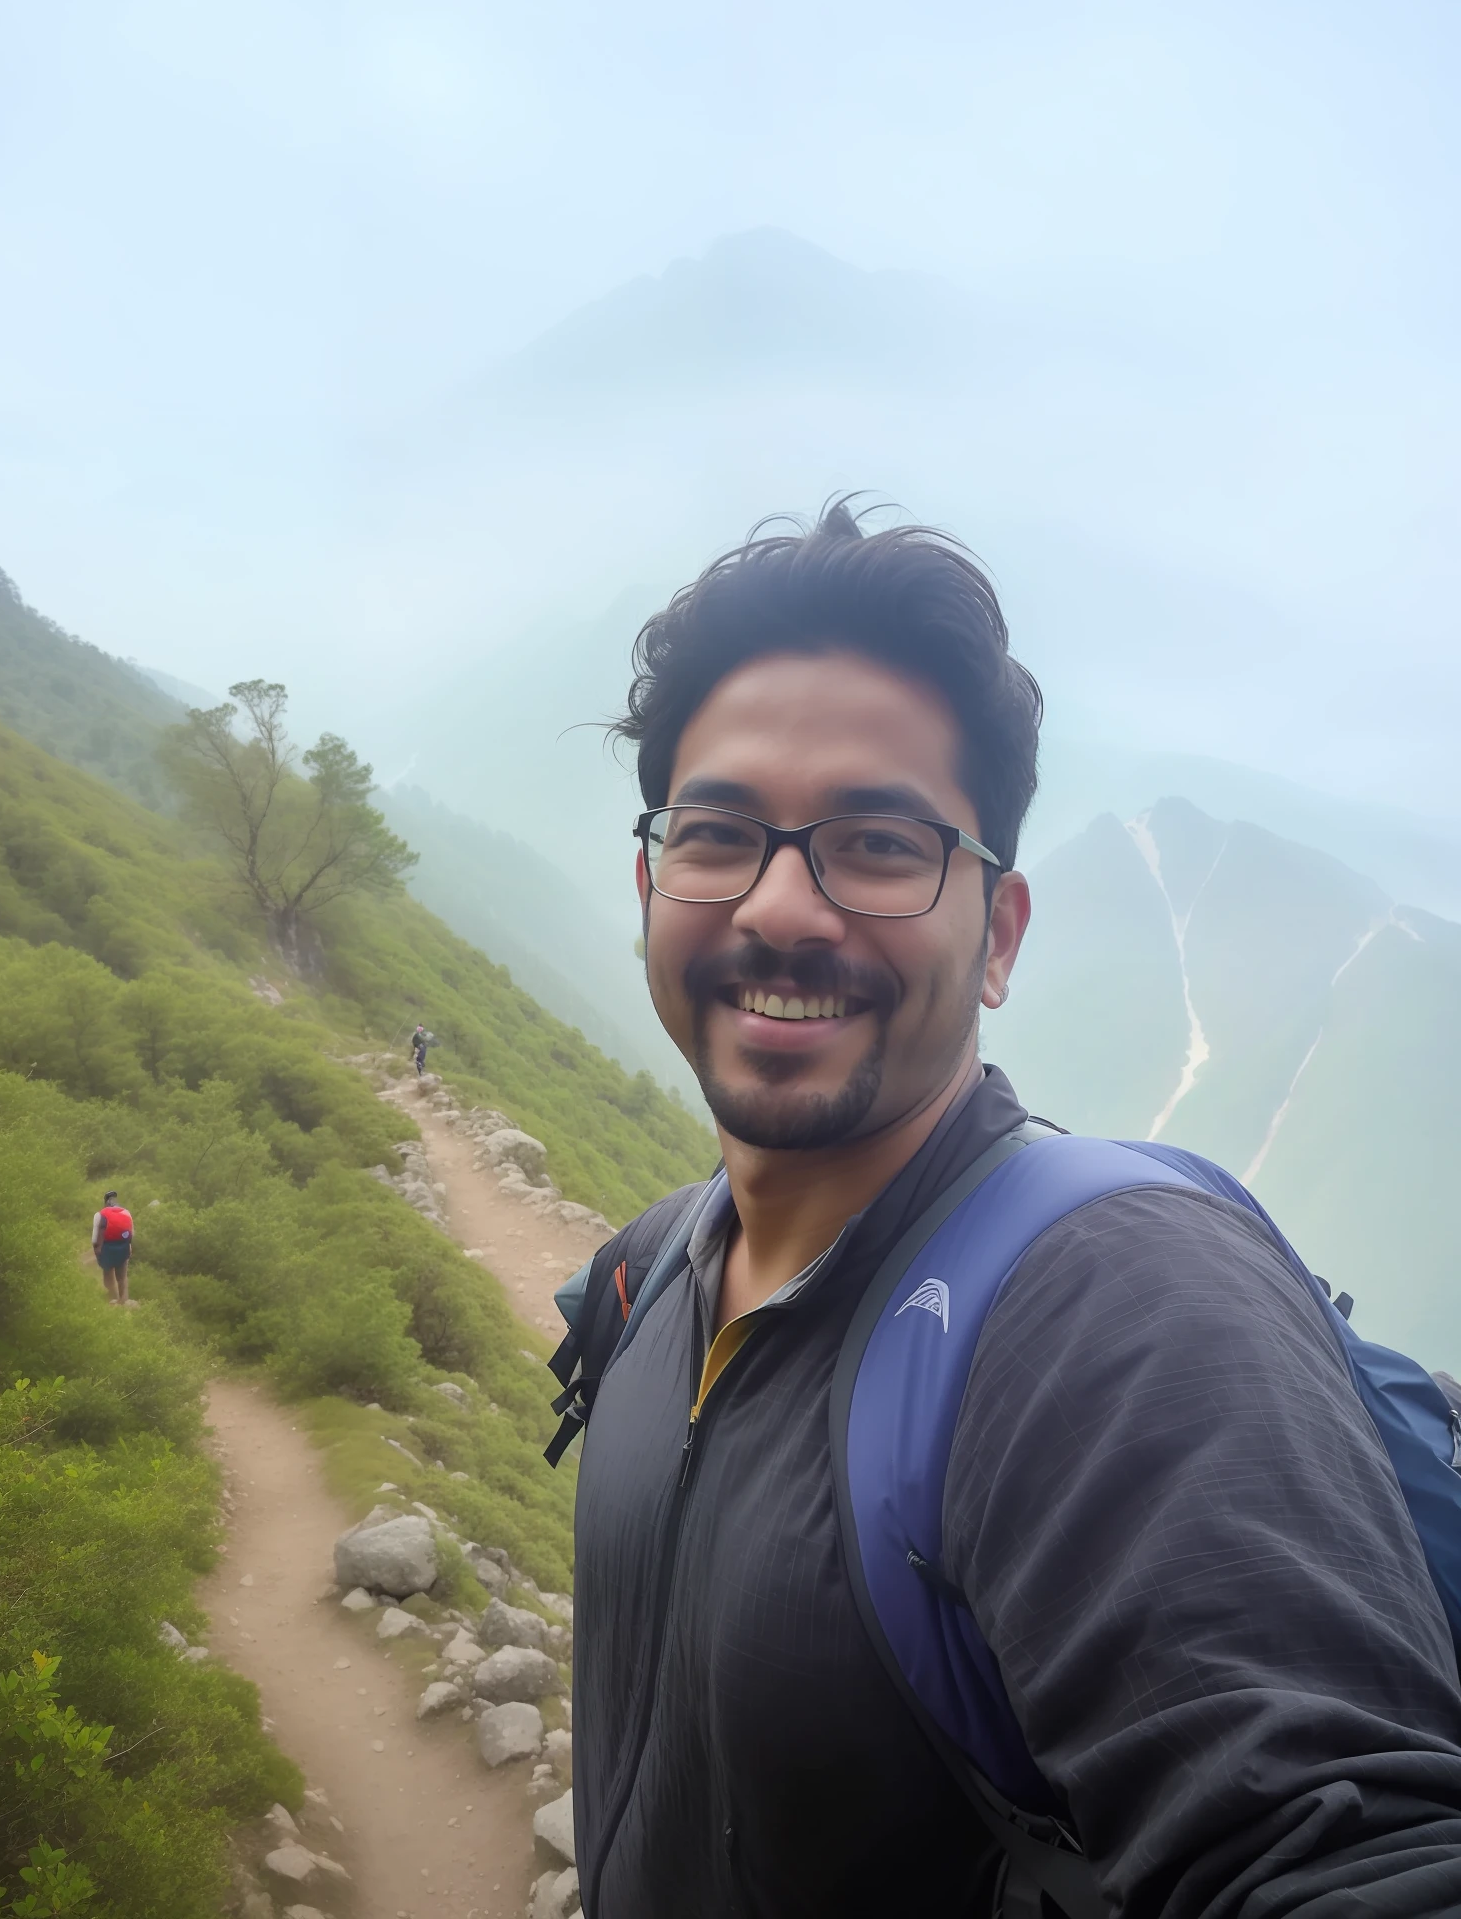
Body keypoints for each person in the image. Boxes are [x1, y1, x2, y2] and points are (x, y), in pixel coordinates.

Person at [562, 504, 1461, 1918]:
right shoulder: (654, 1275)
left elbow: (1338, 1848)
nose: (782, 907)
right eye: (720, 831)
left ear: (1003, 935)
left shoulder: (1114, 1302)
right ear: (652, 882)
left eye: (877, 843)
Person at [91, 1189, 134, 1306]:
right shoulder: (126, 1212)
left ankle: (112, 1296)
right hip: (123, 1247)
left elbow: (95, 1237)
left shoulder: (100, 1214)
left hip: (107, 1249)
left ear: (106, 1203)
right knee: (122, 1276)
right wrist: (129, 1246)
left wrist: (96, 1250)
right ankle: (123, 1300)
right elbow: (131, 1233)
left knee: (108, 1272)